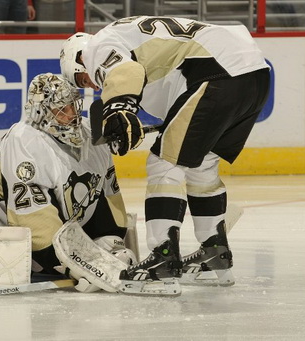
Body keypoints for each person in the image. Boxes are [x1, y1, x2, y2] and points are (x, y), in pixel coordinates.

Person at [60, 16, 270, 293]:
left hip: (217, 72)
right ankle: (214, 253)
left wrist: (117, 108)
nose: (92, 85)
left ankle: (163, 259)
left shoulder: (98, 46)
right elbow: (173, 102)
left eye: (82, 77)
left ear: (79, 58)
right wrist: (126, 113)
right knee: (201, 164)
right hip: (254, 74)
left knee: (163, 163)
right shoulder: (135, 44)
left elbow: (124, 71)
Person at [0, 73, 135, 290]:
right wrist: (70, 264)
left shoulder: (90, 134)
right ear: (42, 112)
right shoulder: (25, 140)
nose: (72, 115)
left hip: (26, 218)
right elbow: (36, 222)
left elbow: (108, 194)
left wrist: (112, 242)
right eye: (62, 109)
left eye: (74, 105)